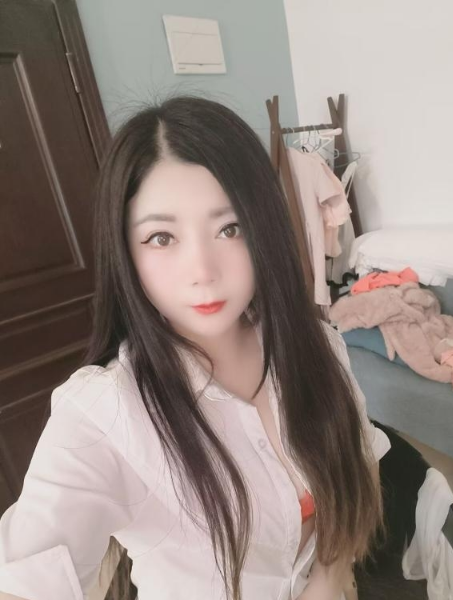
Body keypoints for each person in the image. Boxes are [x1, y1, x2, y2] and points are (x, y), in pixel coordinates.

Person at [0, 96, 390, 600]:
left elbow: (359, 463)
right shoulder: (105, 414)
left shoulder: (317, 347)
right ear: (125, 251)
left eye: (230, 228)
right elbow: (27, 577)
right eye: (162, 238)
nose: (203, 271)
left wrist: (329, 578)